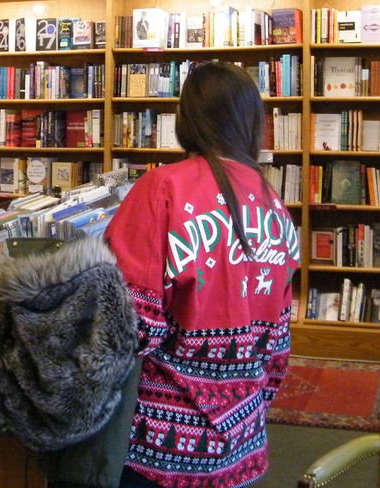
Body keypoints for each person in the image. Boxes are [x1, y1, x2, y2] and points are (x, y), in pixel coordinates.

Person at [104, 60, 301, 488]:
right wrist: (243, 410)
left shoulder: (161, 188)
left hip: (158, 446)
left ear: (185, 119)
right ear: (253, 123)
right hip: (241, 446)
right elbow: (277, 345)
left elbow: (130, 326)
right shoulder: (274, 205)